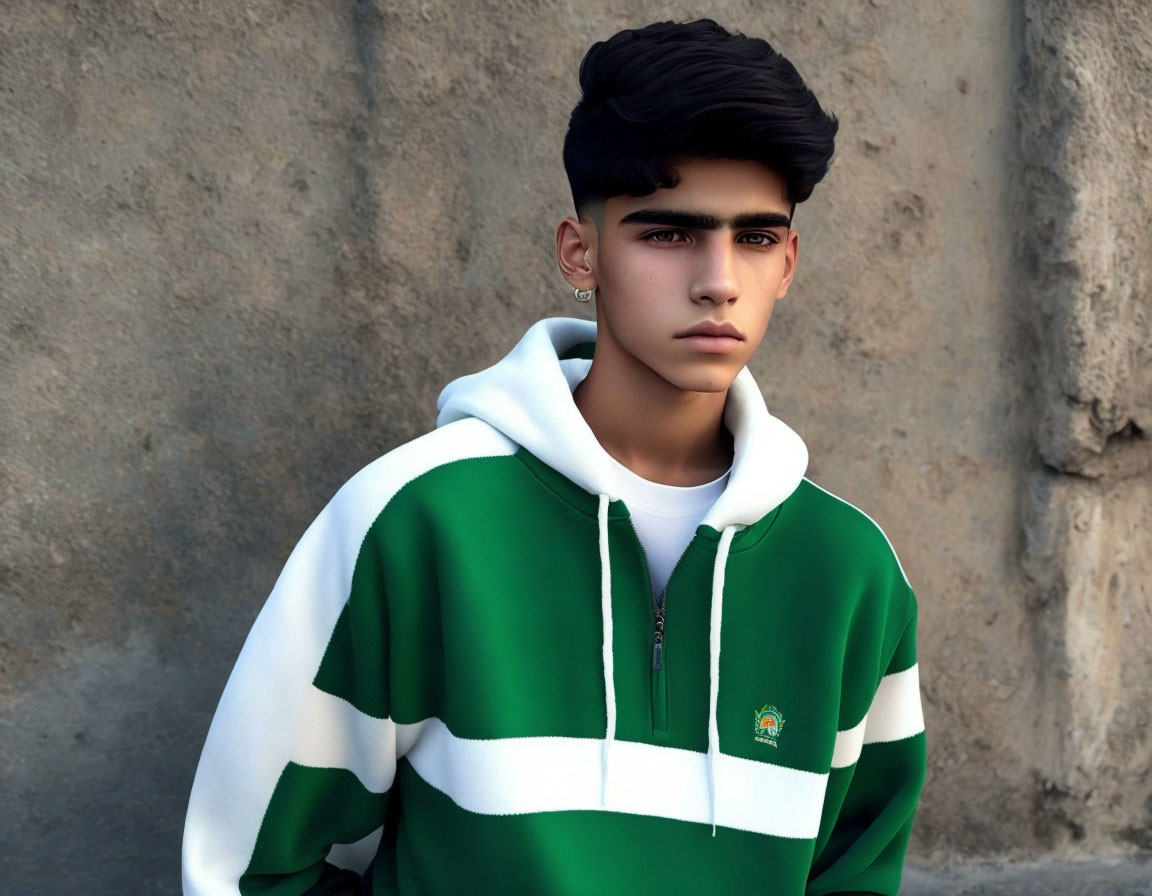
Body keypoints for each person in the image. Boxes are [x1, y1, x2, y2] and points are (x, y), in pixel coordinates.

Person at [182, 17, 925, 895]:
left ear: (789, 262)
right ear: (582, 251)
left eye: (755, 238)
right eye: (668, 233)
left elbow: (857, 876)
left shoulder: (850, 570)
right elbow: (250, 868)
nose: (719, 278)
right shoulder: (417, 520)